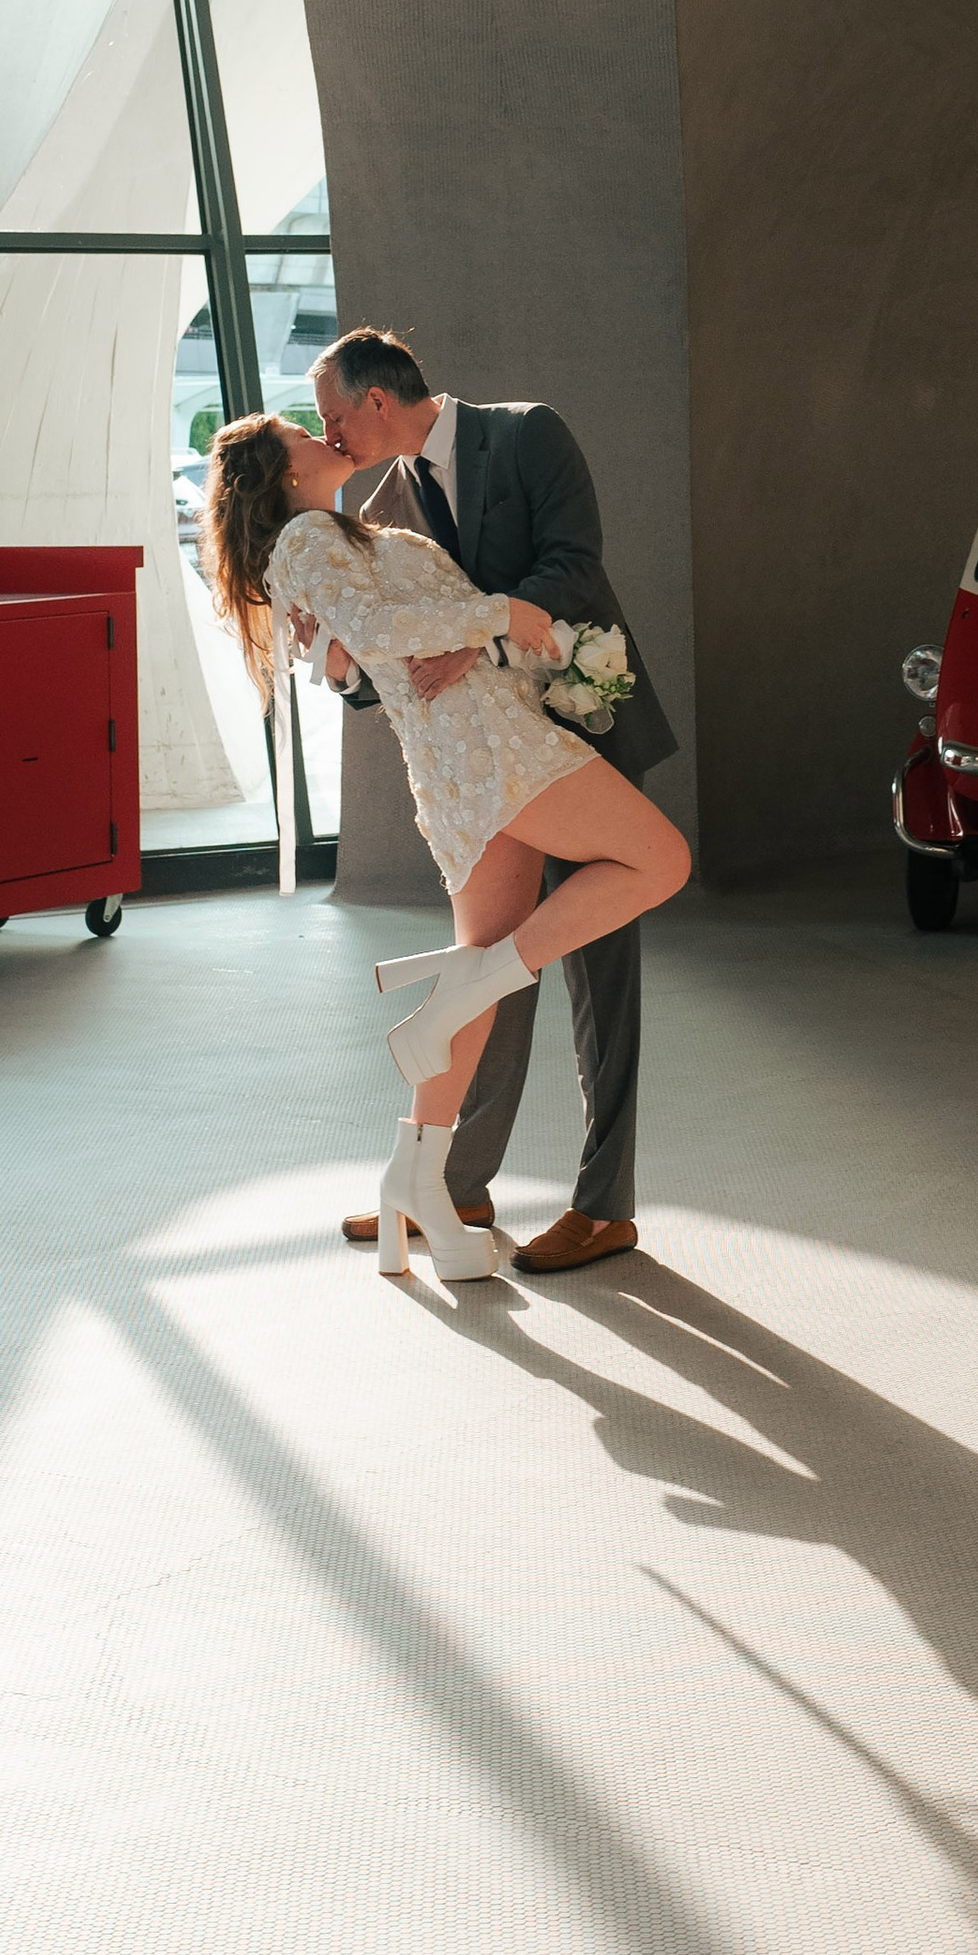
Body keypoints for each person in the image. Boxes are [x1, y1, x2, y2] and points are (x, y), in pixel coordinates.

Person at [201, 413, 689, 1283]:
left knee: (478, 979)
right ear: (283, 475)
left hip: (463, 756)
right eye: (304, 430)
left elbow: (391, 629)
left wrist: (414, 641)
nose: (325, 433)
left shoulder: (356, 525)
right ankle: (463, 1004)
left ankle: (416, 1183)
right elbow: (393, 634)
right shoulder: (309, 536)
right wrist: (499, 615)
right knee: (659, 863)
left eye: (330, 415)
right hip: (495, 749)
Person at [311, 330, 674, 1273]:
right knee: (492, 968)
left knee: (602, 976)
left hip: (579, 732)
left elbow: (575, 568)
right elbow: (391, 656)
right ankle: (453, 1183)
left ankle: (605, 1207)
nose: (331, 434)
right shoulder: (386, 506)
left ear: (380, 400)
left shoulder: (525, 436)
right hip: (490, 766)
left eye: (335, 415)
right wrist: (340, 662)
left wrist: (481, 639)